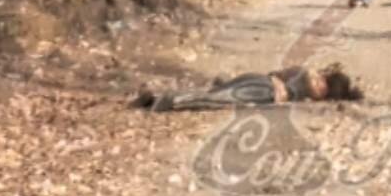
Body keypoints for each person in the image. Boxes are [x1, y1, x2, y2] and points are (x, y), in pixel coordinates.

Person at [131, 63, 363, 112]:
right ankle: (166, 100)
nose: (319, 85)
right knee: (216, 99)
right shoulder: (307, 76)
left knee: (217, 96)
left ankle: (158, 98)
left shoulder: (307, 83)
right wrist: (279, 87)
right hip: (264, 89)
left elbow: (278, 76)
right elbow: (280, 80)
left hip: (262, 83)